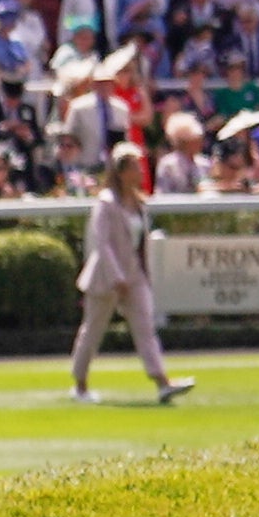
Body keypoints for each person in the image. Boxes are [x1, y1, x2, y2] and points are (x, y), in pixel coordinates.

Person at [74, 143, 190, 405]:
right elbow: (101, 244)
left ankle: (162, 381)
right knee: (92, 331)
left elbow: (139, 244)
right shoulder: (106, 203)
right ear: (122, 171)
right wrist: (116, 277)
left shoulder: (138, 202)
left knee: (145, 327)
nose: (140, 171)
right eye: (136, 166)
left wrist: (140, 274)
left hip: (134, 275)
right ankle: (80, 385)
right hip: (106, 278)